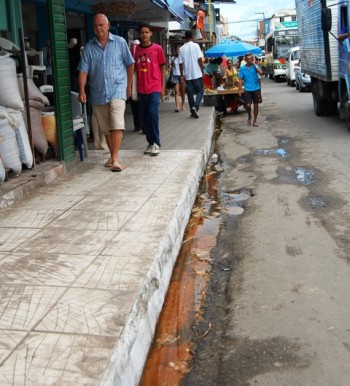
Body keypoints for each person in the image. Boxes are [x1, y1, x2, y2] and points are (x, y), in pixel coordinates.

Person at [78, 13, 134, 172]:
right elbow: (83, 71)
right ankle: (113, 155)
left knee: (117, 123)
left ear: (108, 26)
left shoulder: (120, 42)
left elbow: (130, 64)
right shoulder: (89, 48)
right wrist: (82, 90)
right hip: (98, 93)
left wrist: (128, 86)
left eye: (101, 25)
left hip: (117, 89)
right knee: (106, 129)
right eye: (96, 25)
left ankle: (115, 159)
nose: (98, 28)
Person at [134, 24, 166, 156]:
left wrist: (163, 86)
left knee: (152, 113)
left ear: (151, 33)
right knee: (143, 117)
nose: (144, 35)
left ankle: (156, 143)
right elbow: (133, 69)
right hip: (141, 88)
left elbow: (163, 68)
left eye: (147, 32)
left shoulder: (158, 49)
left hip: (154, 87)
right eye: (142, 32)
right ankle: (150, 142)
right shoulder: (135, 50)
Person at [179, 30, 204, 119]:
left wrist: (182, 75)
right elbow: (200, 59)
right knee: (200, 91)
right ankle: (195, 107)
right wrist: (202, 70)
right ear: (192, 37)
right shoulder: (196, 46)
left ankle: (192, 111)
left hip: (187, 75)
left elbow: (180, 63)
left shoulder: (181, 49)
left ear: (185, 38)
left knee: (190, 93)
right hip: (197, 73)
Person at [238, 52, 264, 127]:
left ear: (252, 59)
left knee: (256, 105)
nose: (249, 60)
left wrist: (255, 66)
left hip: (256, 88)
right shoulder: (242, 69)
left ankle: (255, 121)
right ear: (245, 60)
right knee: (248, 105)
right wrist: (239, 89)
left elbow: (261, 73)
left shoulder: (255, 66)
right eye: (248, 59)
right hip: (247, 89)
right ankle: (249, 115)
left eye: (251, 58)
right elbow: (240, 80)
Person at [129, 39, 142, 132]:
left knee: (134, 105)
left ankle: (137, 125)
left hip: (131, 81)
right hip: (141, 81)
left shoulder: (129, 50)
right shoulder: (141, 50)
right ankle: (142, 125)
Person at [171, 46, 186, 112]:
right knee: (176, 92)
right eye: (176, 49)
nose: (177, 50)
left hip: (182, 75)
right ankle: (177, 107)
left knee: (182, 91)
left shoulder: (183, 58)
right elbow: (172, 66)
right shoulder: (173, 58)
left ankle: (183, 105)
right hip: (175, 75)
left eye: (178, 49)